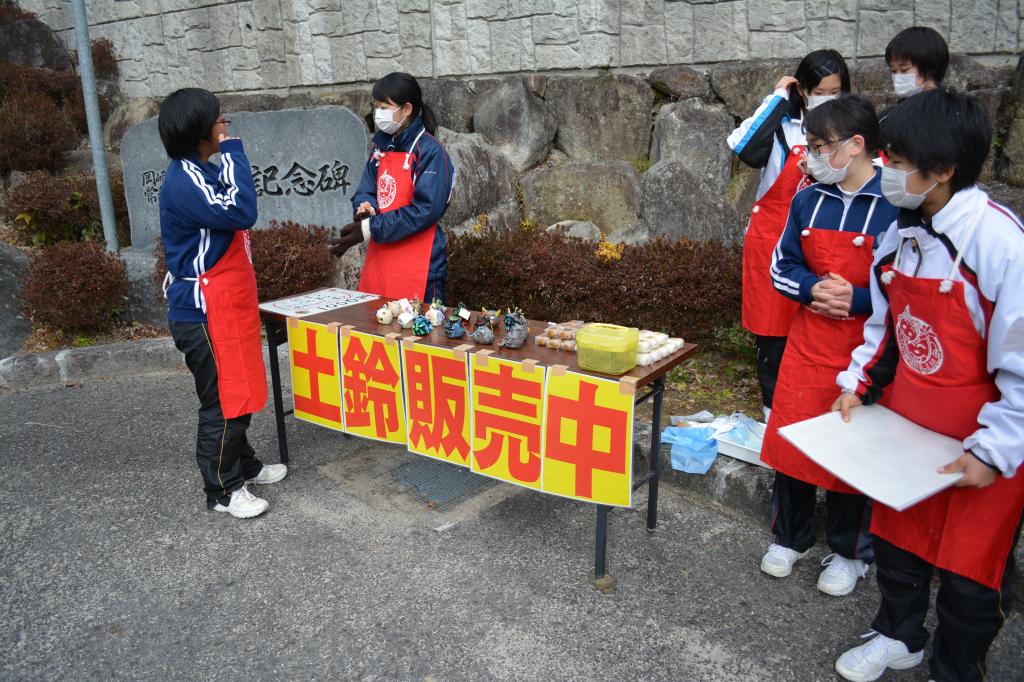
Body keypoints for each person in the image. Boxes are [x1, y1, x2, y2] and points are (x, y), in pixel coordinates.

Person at [831, 89, 1024, 682]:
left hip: (981, 439)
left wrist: (993, 451)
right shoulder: (902, 234)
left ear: (943, 170)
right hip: (908, 426)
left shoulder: (1001, 244)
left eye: (898, 159)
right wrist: (858, 383)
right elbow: (885, 329)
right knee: (899, 549)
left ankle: (956, 667)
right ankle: (898, 636)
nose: (885, 170)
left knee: (971, 578)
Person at [757, 95, 899, 595]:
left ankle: (850, 552)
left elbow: (905, 288)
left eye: (821, 147)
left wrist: (858, 298)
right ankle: (789, 537)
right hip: (808, 343)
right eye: (811, 146)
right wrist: (811, 289)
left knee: (851, 452)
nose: (811, 156)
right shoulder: (806, 198)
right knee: (793, 445)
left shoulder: (895, 204)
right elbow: (781, 266)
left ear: (857, 145)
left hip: (865, 348)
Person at [159, 88, 286, 520]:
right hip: (203, 310)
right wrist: (233, 150)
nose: (225, 126)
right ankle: (222, 490)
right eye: (219, 120)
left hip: (226, 304)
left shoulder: (200, 170)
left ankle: (244, 465)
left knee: (242, 388)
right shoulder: (186, 178)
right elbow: (241, 210)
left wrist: (225, 153)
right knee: (222, 401)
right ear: (201, 131)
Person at [727, 49, 851, 420]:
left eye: (836, 91)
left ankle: (820, 410)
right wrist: (778, 97)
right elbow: (744, 148)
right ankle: (774, 415)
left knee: (824, 329)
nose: (828, 99)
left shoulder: (851, 128)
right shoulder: (784, 125)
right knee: (774, 336)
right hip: (774, 243)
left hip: (828, 243)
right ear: (804, 89)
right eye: (820, 91)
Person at [329, 72, 455, 303]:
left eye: (384, 107)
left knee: (421, 334)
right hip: (382, 260)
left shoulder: (430, 151)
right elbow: (367, 189)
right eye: (375, 106)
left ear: (406, 109)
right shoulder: (380, 147)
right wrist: (366, 209)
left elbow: (425, 210)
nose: (378, 114)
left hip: (422, 265)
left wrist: (370, 229)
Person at [885, 26, 949, 98]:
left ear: (930, 69)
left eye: (904, 70)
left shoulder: (944, 106)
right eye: (893, 71)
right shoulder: (905, 105)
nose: (898, 77)